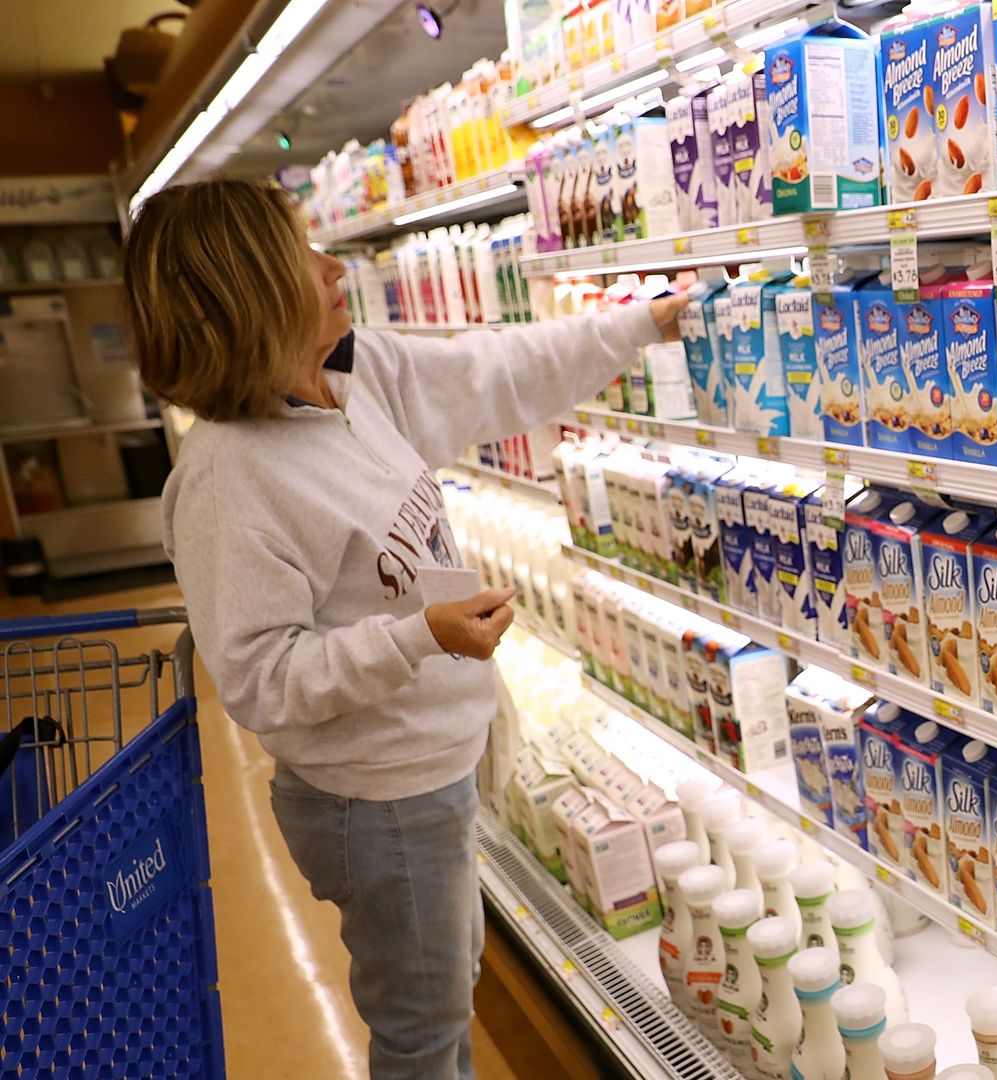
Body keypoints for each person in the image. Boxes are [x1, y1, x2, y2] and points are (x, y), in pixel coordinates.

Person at [123, 178, 687, 1080]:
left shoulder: (353, 378)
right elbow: (261, 679)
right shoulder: (229, 480)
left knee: (446, 990)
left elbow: (495, 374)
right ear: (250, 296)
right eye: (302, 258)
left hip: (429, 771)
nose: (333, 267)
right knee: (420, 1035)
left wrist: (639, 324)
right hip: (376, 802)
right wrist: (418, 636)